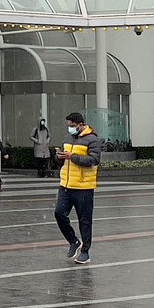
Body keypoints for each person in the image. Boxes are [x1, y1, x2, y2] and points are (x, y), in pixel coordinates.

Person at [55, 111, 103, 264]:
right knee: (59, 213)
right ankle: (74, 241)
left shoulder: (92, 139)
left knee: (85, 220)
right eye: (69, 126)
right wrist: (59, 157)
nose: (70, 128)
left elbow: (94, 160)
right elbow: (62, 160)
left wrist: (72, 157)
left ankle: (85, 251)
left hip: (84, 186)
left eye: (73, 126)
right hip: (66, 185)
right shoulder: (68, 138)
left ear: (81, 124)